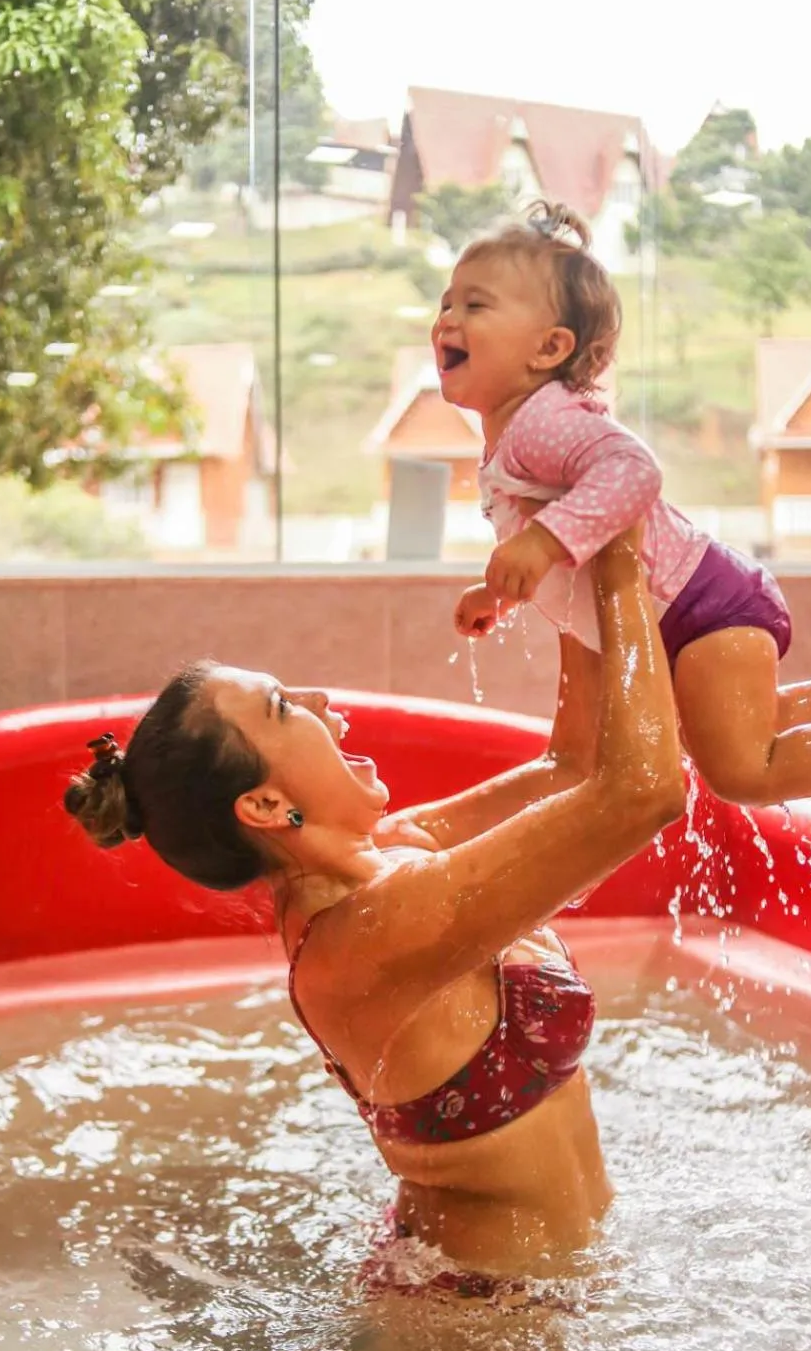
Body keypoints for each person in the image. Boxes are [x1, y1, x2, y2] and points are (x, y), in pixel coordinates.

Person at [63, 527, 685, 1290]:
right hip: (472, 1332)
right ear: (264, 803)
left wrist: (570, 556)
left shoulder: (395, 851)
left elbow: (576, 766)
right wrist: (621, 556)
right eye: (286, 707)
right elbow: (644, 791)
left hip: (535, 1292)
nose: (324, 702)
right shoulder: (365, 939)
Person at [445, 201, 811, 814]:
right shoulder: (515, 435)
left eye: (475, 305)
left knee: (741, 771)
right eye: (447, 301)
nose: (447, 319)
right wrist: (501, 591)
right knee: (715, 731)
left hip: (701, 604)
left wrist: (541, 543)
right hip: (685, 606)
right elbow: (559, 537)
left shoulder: (541, 422)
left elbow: (633, 472)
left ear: (549, 348)